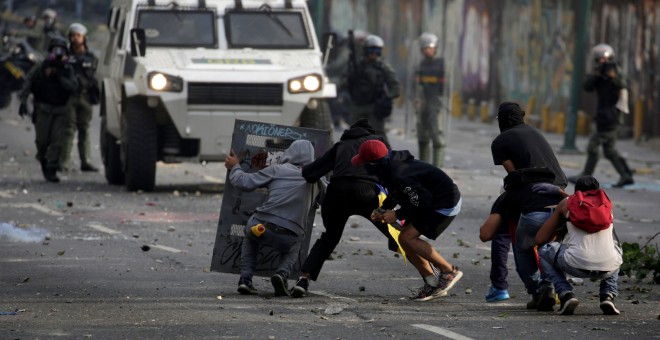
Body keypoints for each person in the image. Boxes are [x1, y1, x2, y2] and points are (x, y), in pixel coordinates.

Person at [291, 118, 400, 298]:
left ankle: (303, 279)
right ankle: (431, 272)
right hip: (367, 193)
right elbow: (391, 169)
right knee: (396, 233)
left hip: (337, 193)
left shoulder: (341, 145)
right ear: (370, 133)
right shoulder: (377, 142)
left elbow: (310, 173)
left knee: (330, 237)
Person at [352, 139, 463, 301]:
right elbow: (396, 192)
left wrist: (397, 215)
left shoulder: (400, 174)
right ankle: (431, 282)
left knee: (408, 237)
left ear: (373, 164)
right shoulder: (389, 164)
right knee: (403, 239)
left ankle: (448, 272)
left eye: (364, 163)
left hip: (444, 202)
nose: (363, 167)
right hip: (428, 200)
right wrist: (381, 209)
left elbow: (422, 202)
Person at [487, 102, 567, 309]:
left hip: (532, 194)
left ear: (502, 120)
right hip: (559, 193)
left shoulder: (500, 141)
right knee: (549, 245)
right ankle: (555, 287)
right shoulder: (535, 131)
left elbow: (514, 176)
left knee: (520, 243)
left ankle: (536, 289)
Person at [224, 140, 316, 297]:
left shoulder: (277, 170)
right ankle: (282, 274)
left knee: (250, 236)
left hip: (261, 226)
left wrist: (235, 166)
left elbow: (243, 182)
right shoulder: (316, 179)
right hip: (289, 235)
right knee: (297, 241)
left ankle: (245, 279)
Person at [535, 176, 623, 315]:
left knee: (544, 250)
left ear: (576, 191)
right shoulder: (606, 205)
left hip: (574, 264)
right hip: (608, 267)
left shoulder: (567, 203)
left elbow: (540, 238)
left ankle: (565, 294)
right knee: (616, 249)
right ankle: (608, 295)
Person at [570, 44, 634, 188]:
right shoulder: (599, 73)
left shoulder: (617, 72)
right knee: (609, 150)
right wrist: (596, 76)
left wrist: (613, 78)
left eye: (604, 59)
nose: (602, 63)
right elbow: (587, 87)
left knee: (593, 145)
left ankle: (585, 175)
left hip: (612, 116)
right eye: (599, 60)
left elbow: (624, 86)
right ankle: (625, 175)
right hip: (603, 115)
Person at [18, 37, 78, 183]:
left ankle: (52, 167)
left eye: (61, 50)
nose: (57, 53)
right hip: (43, 110)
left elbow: (73, 87)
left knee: (56, 142)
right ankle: (45, 161)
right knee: (42, 141)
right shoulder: (42, 66)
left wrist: (58, 76)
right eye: (54, 50)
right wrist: (23, 101)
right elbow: (29, 81)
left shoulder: (67, 69)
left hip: (60, 110)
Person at [341, 34, 400, 147]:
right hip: (357, 105)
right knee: (354, 136)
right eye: (371, 50)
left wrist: (386, 98)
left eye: (377, 50)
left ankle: (388, 159)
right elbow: (344, 82)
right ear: (365, 50)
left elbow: (395, 87)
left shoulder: (383, 67)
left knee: (378, 135)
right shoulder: (356, 65)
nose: (374, 53)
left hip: (374, 106)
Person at [60, 23, 100, 172]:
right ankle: (63, 161)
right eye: (73, 35)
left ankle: (86, 161)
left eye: (78, 35)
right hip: (69, 97)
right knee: (68, 129)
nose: (75, 38)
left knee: (84, 129)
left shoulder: (91, 58)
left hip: (86, 97)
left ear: (84, 38)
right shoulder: (65, 57)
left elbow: (98, 76)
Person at [414, 32, 446, 167]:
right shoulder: (420, 65)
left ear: (435, 49)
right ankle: (424, 167)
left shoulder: (441, 64)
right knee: (422, 137)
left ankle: (437, 169)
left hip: (436, 103)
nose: (427, 50)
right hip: (423, 103)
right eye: (425, 48)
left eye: (430, 48)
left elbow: (445, 86)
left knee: (437, 137)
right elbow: (416, 86)